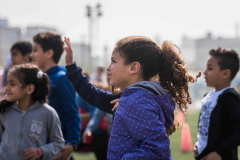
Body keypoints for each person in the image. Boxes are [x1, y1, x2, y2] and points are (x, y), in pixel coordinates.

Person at [64, 36, 200, 159]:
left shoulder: (136, 102)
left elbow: (157, 151)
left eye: (113, 61)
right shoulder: (134, 99)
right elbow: (95, 96)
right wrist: (71, 67)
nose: (108, 67)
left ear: (133, 67)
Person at [31, 32, 81, 160]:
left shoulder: (62, 78)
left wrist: (72, 144)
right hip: (39, 145)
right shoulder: (38, 78)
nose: (31, 55)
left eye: (35, 50)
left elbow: (72, 112)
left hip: (56, 148)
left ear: (49, 53)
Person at [0, 63, 65, 160]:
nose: (7, 88)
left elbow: (58, 143)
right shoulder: (4, 110)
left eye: (12, 84)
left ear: (29, 89)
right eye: (7, 83)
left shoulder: (48, 113)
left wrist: (41, 151)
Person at [193, 48, 240, 160]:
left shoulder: (229, 97)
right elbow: (206, 128)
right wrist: (199, 143)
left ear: (225, 73)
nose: (204, 72)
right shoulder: (207, 96)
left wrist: (219, 153)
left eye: (210, 68)